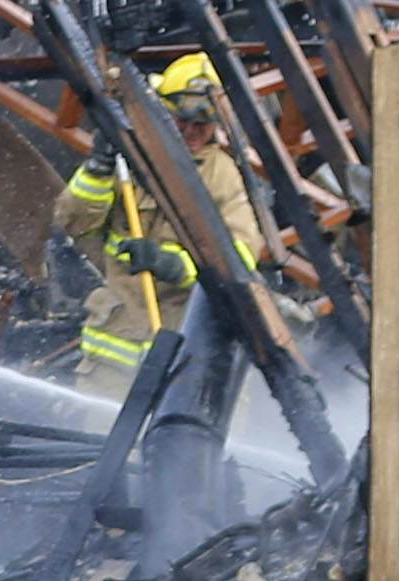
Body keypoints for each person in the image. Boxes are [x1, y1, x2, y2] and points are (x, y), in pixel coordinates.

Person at [49, 53, 273, 394]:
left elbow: (242, 254)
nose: (192, 132)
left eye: (202, 125)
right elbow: (73, 223)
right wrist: (97, 169)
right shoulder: (128, 159)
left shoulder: (222, 175)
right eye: (183, 121)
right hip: (113, 358)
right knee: (99, 431)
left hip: (184, 358)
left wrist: (177, 266)